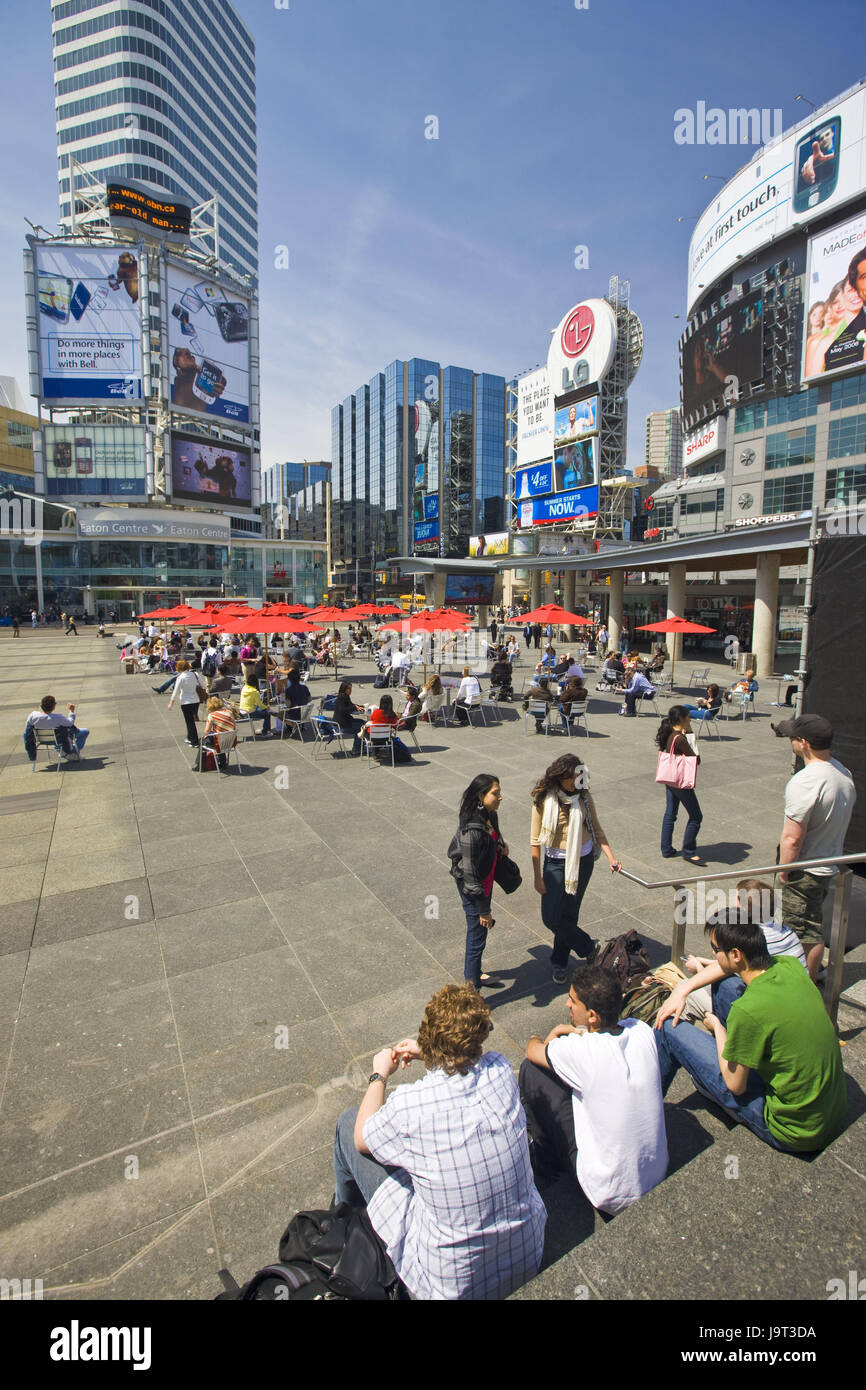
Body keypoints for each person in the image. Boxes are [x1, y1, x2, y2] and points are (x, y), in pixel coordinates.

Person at [332, 984, 546, 1300]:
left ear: (429, 1035)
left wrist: (379, 1075)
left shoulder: (412, 1105)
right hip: (526, 1256)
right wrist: (431, 1051)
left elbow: (363, 1138)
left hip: (450, 1287)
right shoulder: (500, 1070)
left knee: (349, 1124)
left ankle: (343, 1227)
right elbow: (468, 1061)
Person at [653, 912, 847, 1153]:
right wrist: (683, 989)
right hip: (830, 1111)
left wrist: (719, 1029)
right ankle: (741, 1055)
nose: (713, 955)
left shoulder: (748, 1011)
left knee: (669, 1031)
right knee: (726, 986)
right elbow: (725, 971)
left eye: (715, 949)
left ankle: (640, 1114)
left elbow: (735, 1085)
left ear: (736, 955)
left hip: (794, 1130)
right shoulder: (789, 965)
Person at [520, 965, 668, 1207]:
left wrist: (555, 1033)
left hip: (607, 1192)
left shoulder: (581, 1051)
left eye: (572, 1001)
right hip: (656, 1171)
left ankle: (545, 1162)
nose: (568, 1005)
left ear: (592, 1016)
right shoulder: (641, 1031)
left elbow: (532, 1050)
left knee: (531, 1070)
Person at [654, 881, 807, 1030]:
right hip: (793, 1005)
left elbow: (730, 971)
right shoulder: (787, 933)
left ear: (742, 911)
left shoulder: (755, 940)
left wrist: (699, 970)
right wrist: (708, 963)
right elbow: (737, 966)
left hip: (766, 1015)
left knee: (688, 993)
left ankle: (672, 1035)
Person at [771, 713, 856, 981]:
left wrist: (785, 870)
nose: (790, 741)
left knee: (802, 932)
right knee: (811, 925)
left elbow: (792, 838)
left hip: (804, 869)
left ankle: (801, 984)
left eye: (793, 737)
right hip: (827, 861)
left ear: (804, 743)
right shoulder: (843, 772)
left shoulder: (806, 781)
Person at [531, 753, 621, 984]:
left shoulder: (584, 797)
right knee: (550, 917)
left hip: (583, 861)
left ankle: (559, 962)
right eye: (572, 777)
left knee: (569, 914)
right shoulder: (543, 798)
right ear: (560, 776)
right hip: (555, 863)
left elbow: (597, 829)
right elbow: (534, 841)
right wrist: (537, 876)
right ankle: (588, 946)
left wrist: (611, 857)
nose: (575, 782)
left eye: (579, 777)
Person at [448, 773, 510, 990]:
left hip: (486, 880)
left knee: (479, 933)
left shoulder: (490, 815)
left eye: (500, 792)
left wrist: (501, 844)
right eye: (496, 793)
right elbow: (470, 874)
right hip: (473, 887)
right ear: (481, 796)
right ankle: (471, 992)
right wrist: (484, 909)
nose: (500, 797)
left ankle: (474, 972)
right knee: (476, 935)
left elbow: (495, 836)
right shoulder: (472, 830)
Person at [25, 696, 89, 757]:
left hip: (40, 740)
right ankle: (71, 752)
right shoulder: (57, 717)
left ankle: (62, 750)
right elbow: (70, 723)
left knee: (60, 734)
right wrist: (71, 711)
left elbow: (28, 726)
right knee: (85, 731)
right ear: (54, 706)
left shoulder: (33, 715)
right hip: (58, 740)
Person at [167, 659, 203, 747]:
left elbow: (176, 690)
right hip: (195, 700)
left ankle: (194, 741)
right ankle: (189, 737)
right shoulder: (195, 674)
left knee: (189, 722)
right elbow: (203, 684)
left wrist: (171, 702)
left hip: (186, 702)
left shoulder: (180, 677)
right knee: (191, 720)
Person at [198, 696, 237, 771]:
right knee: (220, 735)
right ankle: (223, 764)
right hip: (231, 741)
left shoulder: (212, 715)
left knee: (202, 741)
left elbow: (206, 731)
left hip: (219, 743)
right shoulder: (229, 712)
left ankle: (200, 766)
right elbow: (234, 726)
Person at [333, 679, 366, 755]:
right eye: (349, 689)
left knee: (363, 722)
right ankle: (356, 749)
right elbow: (343, 710)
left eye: (351, 689)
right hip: (342, 725)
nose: (351, 690)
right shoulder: (341, 697)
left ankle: (361, 746)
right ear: (344, 689)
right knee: (362, 727)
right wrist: (355, 707)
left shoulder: (346, 696)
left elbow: (351, 705)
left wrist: (360, 706)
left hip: (345, 721)